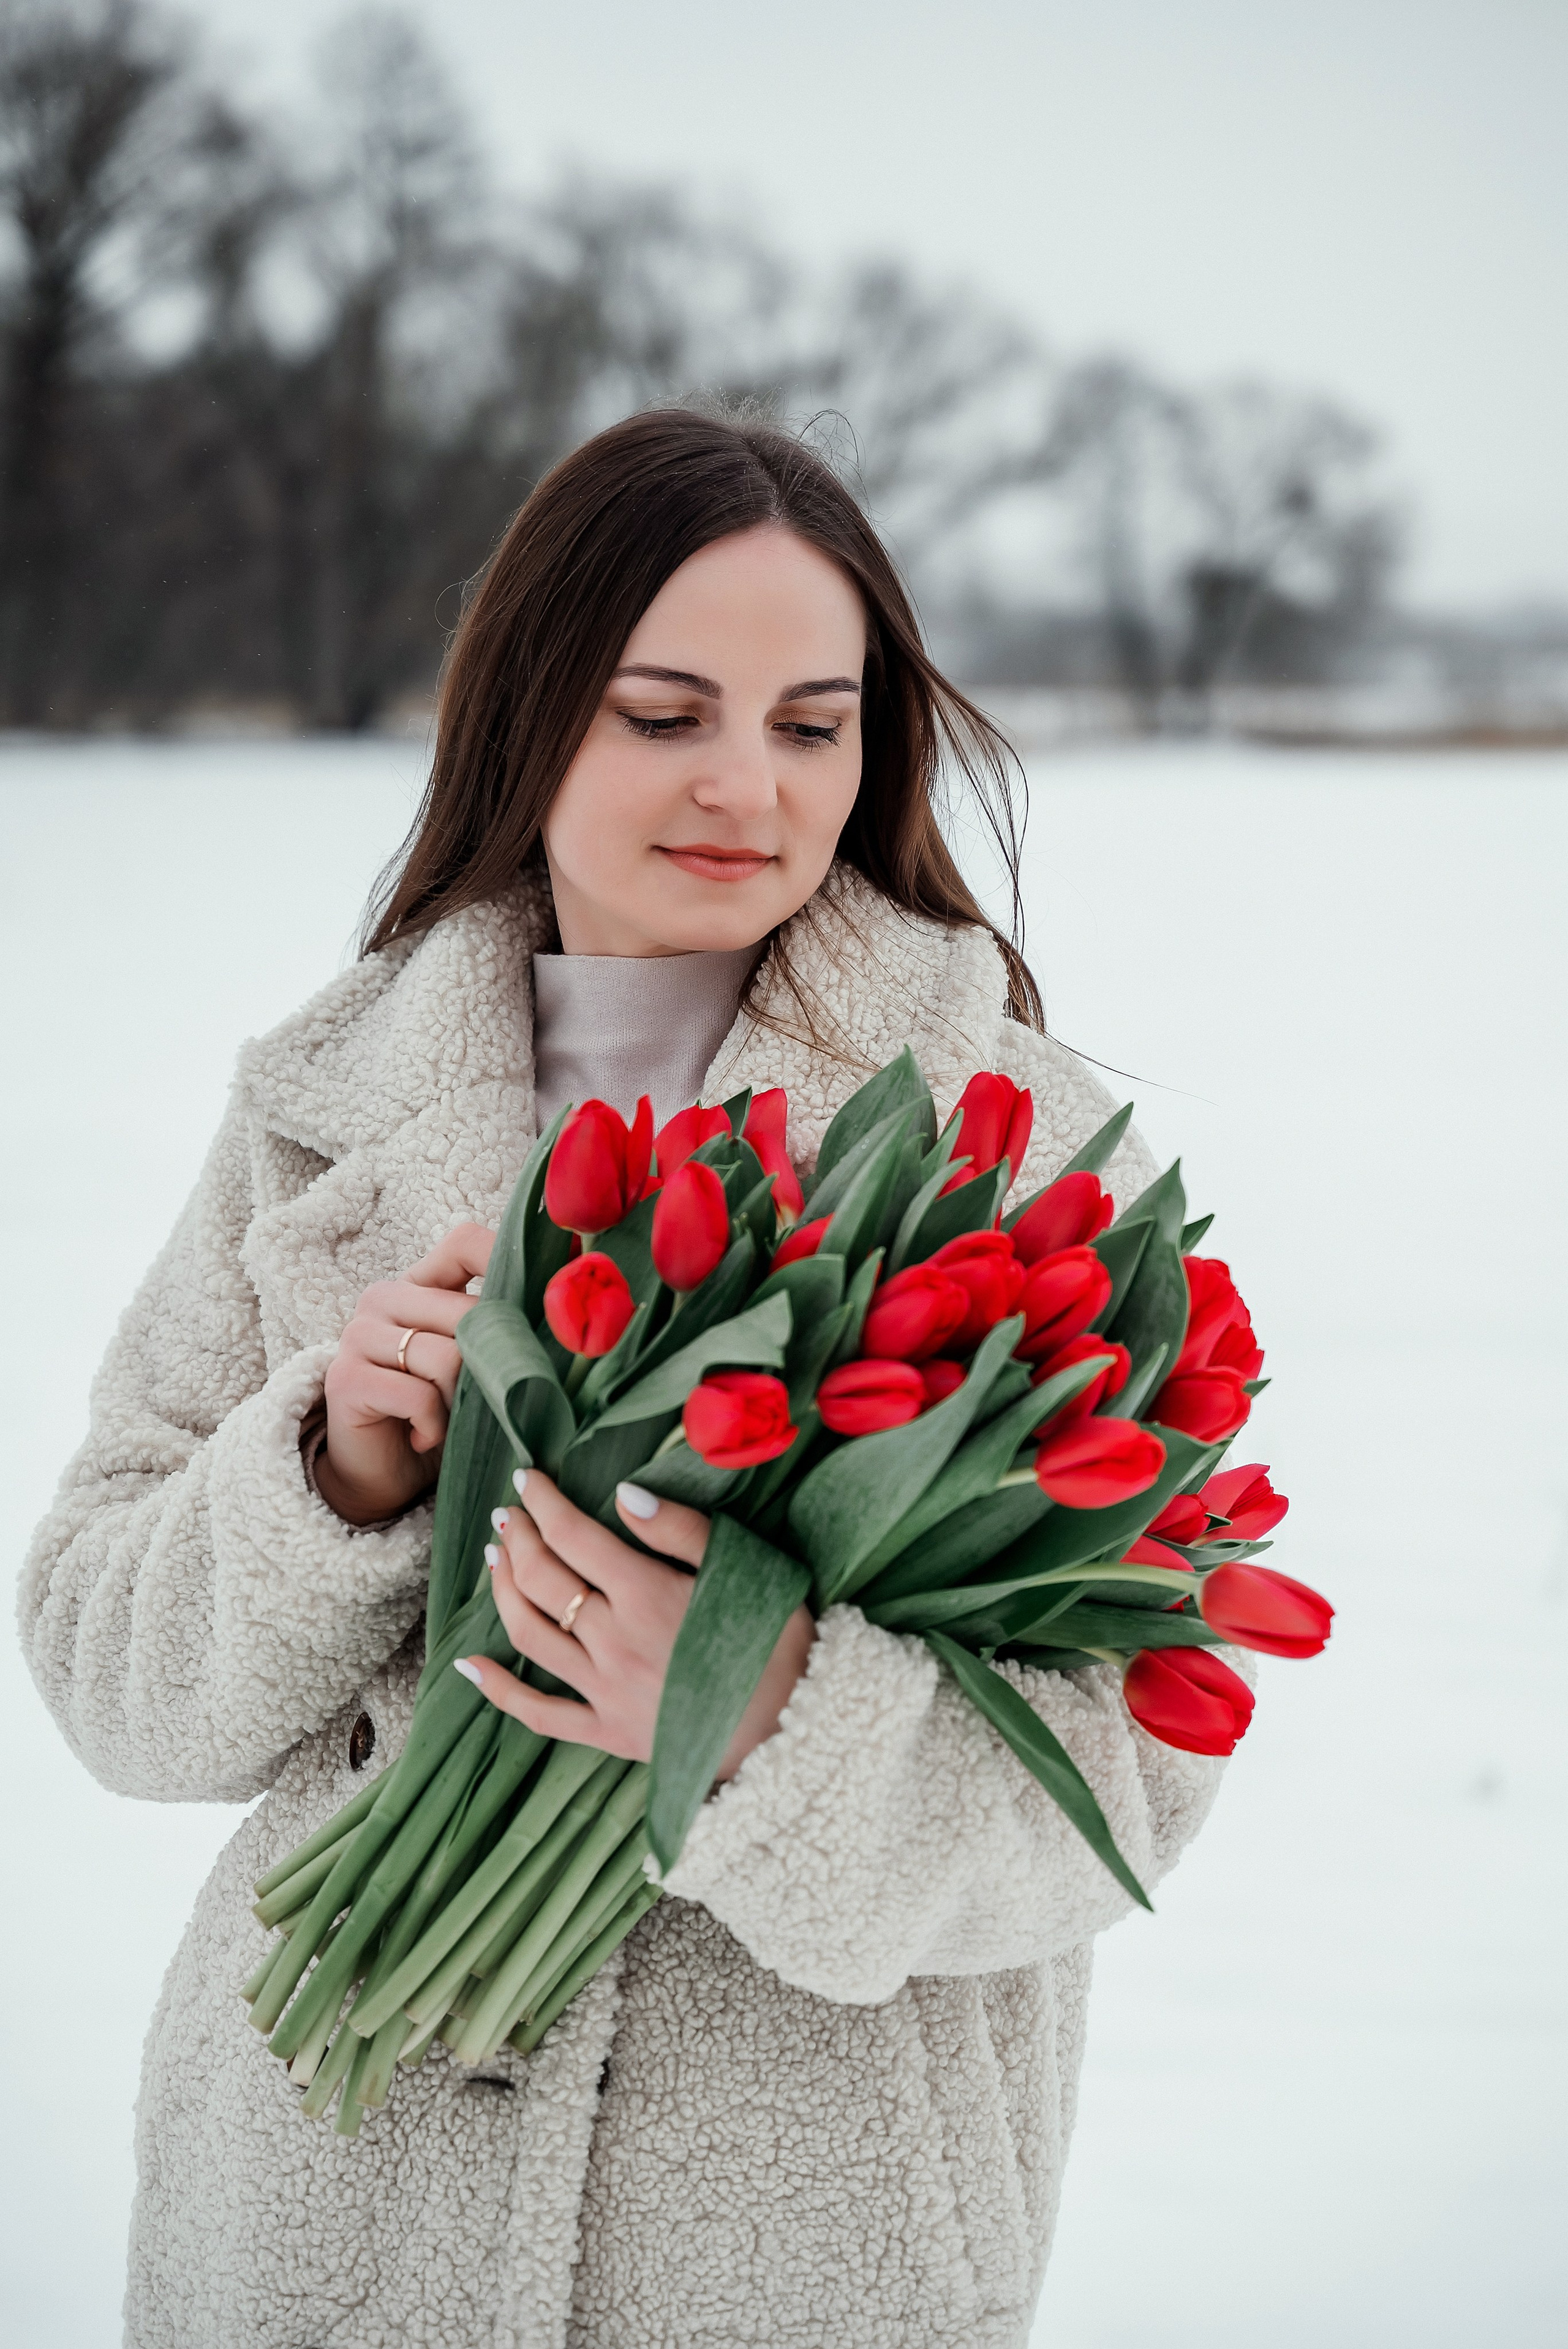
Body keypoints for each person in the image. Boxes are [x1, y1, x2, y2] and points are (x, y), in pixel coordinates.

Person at [20, 407, 1237, 2349]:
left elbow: (1129, 1784)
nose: (743, 785)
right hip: (311, 2236)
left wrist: (760, 1704)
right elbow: (101, 1664)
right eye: (663, 713)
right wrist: (327, 1474)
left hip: (790, 2273)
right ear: (532, 709)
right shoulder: (323, 1110)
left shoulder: (1019, 1154)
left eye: (809, 723)